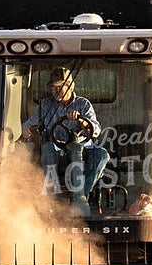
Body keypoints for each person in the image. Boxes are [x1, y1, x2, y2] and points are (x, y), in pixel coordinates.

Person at [23, 67, 108, 214]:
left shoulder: (83, 104)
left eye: (59, 87)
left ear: (70, 86)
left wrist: (82, 122)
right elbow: (28, 124)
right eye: (53, 87)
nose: (55, 91)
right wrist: (26, 129)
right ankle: (55, 200)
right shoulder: (46, 105)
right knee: (47, 147)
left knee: (102, 155)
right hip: (57, 148)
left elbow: (96, 129)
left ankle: (81, 197)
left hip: (82, 149)